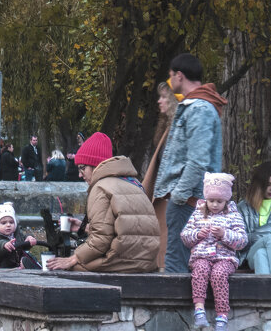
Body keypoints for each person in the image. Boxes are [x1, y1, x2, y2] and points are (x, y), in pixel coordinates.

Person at [154, 53, 227, 273]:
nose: (170, 81)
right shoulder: (194, 107)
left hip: (189, 201)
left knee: (176, 266)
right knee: (181, 263)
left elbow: (198, 161)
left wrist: (179, 196)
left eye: (170, 76)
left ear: (179, 75)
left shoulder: (199, 109)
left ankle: (174, 309)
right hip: (189, 200)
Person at [47, 132, 159, 273]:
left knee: (67, 270)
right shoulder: (134, 183)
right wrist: (85, 228)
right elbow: (125, 229)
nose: (80, 174)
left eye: (82, 168)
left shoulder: (100, 187)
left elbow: (101, 240)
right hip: (147, 262)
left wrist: (73, 258)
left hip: (121, 262)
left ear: (95, 165)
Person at [181, 172, 247, 331]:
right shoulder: (198, 214)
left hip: (225, 258)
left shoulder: (233, 215)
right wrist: (197, 234)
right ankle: (199, 309)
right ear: (206, 198)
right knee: (200, 269)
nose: (215, 204)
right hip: (202, 256)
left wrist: (225, 234)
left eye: (219, 201)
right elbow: (185, 237)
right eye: (211, 201)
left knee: (218, 274)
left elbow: (242, 241)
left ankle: (222, 316)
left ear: (226, 200)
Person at [141, 81, 179, 270]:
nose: (159, 101)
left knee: (168, 261)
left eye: (164, 97)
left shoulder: (177, 132)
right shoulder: (168, 131)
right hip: (164, 201)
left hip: (172, 202)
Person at [237, 163, 271, 275]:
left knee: (261, 254)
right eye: (269, 184)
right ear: (259, 184)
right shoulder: (243, 207)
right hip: (251, 253)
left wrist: (256, 234)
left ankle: (268, 291)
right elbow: (240, 240)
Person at [0, 202, 37, 268]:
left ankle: (30, 266)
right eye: (3, 223)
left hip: (17, 263)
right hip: (1, 267)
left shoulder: (16, 234)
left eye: (11, 222)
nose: (8, 225)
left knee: (30, 258)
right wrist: (3, 245)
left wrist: (29, 239)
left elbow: (23, 241)